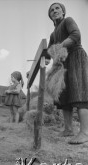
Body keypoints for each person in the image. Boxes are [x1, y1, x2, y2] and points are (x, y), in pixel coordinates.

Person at [47, 2, 88, 144]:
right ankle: (68, 129)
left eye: (57, 8)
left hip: (76, 57)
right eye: (51, 10)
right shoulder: (53, 34)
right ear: (50, 16)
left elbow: (76, 35)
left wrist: (60, 47)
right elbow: (48, 53)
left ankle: (84, 132)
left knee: (79, 93)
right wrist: (36, 66)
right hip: (62, 64)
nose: (54, 11)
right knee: (64, 96)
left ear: (63, 12)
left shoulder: (68, 21)